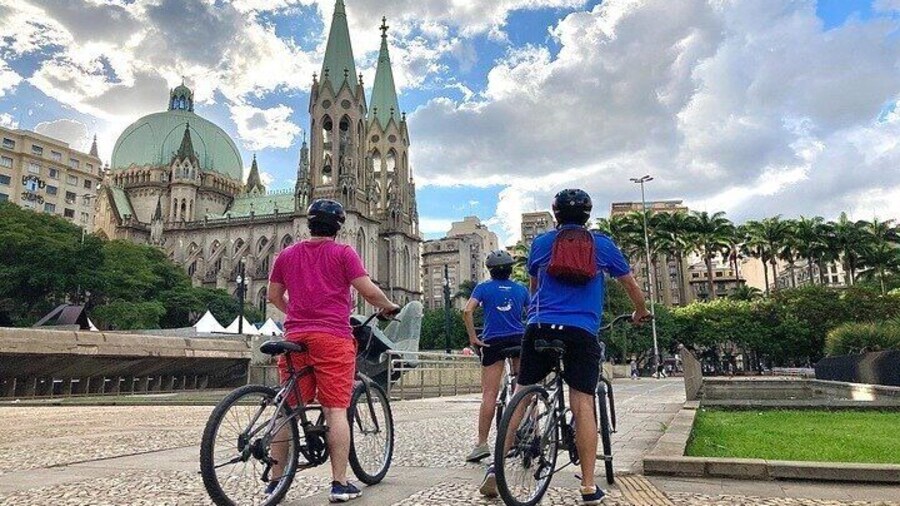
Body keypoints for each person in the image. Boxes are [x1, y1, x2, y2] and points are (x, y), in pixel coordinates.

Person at [483, 188, 651, 505]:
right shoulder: (602, 244)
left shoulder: (541, 243)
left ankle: (495, 468)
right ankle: (588, 487)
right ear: (588, 213)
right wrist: (640, 312)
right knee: (583, 404)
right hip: (581, 332)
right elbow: (631, 285)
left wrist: (537, 312)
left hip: (539, 327)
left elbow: (534, 286)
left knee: (521, 395)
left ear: (555, 213)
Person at [266, 198, 399, 503]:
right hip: (333, 337)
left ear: (309, 224)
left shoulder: (286, 254)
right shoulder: (343, 253)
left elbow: (274, 295)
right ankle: (339, 484)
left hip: (295, 337)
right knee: (335, 409)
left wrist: (295, 313)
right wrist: (388, 306)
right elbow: (367, 290)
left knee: (287, 409)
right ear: (338, 228)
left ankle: (275, 483)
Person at [462, 250, 530, 469]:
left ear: (490, 270)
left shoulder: (483, 288)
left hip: (492, 342)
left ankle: (482, 444)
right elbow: (532, 312)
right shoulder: (520, 288)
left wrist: (473, 338)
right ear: (510, 269)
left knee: (489, 394)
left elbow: (467, 311)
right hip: (518, 340)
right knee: (524, 388)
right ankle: (530, 431)